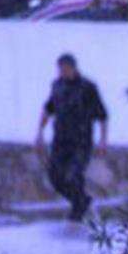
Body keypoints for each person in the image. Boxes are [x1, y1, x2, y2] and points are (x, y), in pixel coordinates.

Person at [35, 54, 108, 221]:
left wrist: (103, 141)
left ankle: (78, 212)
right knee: (55, 177)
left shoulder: (88, 87)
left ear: (74, 68)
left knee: (74, 175)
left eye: (65, 69)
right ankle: (82, 202)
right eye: (60, 69)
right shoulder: (57, 86)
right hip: (60, 140)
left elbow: (102, 115)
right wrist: (39, 134)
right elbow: (47, 110)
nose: (63, 72)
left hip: (81, 141)